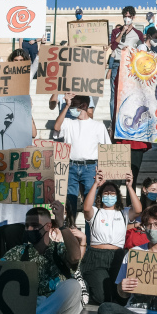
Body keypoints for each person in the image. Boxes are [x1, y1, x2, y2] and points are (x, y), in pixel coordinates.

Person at [2, 202, 84, 314]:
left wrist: (62, 225)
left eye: (34, 225)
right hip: (30, 310)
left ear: (47, 226)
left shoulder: (58, 249)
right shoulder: (19, 252)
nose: (29, 229)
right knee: (38, 299)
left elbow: (75, 257)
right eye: (26, 226)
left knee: (73, 286)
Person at [82, 173, 142, 305]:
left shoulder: (123, 212)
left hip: (117, 256)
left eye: (112, 193)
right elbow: (86, 208)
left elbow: (138, 210)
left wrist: (130, 186)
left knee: (121, 296)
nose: (109, 195)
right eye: (106, 193)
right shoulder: (95, 211)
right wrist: (95, 185)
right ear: (101, 195)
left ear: (117, 196)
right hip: (96, 258)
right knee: (101, 298)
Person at [55, 93, 111, 223]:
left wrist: (104, 173)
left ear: (84, 106)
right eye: (72, 105)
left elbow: (107, 149)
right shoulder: (69, 122)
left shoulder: (98, 125)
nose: (72, 108)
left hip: (90, 167)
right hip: (71, 165)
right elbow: (57, 127)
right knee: (70, 202)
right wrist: (66, 106)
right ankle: (71, 231)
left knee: (90, 203)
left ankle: (90, 234)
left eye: (74, 105)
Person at [109, 6, 145, 119]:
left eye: (129, 16)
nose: (127, 18)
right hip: (117, 63)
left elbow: (141, 50)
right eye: (125, 16)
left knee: (130, 93)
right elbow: (113, 46)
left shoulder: (138, 33)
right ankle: (113, 121)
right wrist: (122, 31)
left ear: (133, 17)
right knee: (114, 94)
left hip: (130, 66)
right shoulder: (116, 31)